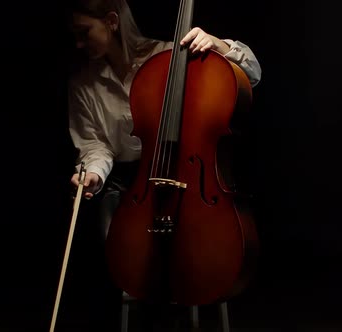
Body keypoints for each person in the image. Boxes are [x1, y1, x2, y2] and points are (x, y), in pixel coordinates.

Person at [66, 0, 262, 330]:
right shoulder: (83, 84)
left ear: (112, 21)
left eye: (84, 32)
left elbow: (253, 73)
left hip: (190, 177)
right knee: (126, 261)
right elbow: (97, 146)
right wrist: (94, 175)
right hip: (131, 184)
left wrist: (217, 45)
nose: (78, 44)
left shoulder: (174, 56)